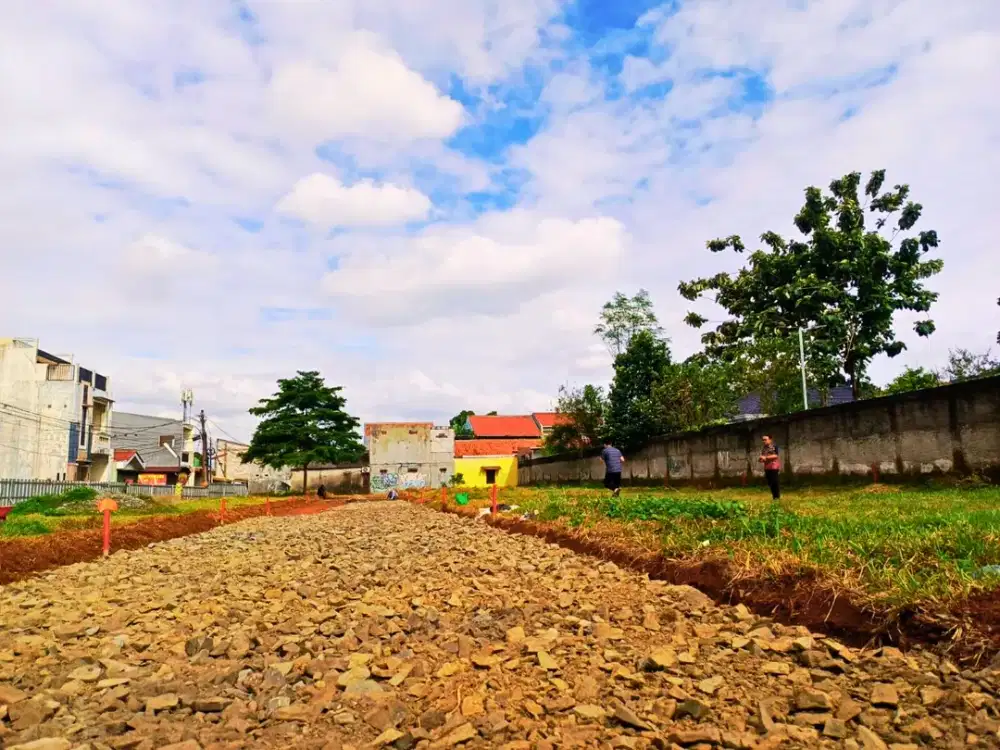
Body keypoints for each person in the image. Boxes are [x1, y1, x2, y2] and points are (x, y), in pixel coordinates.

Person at [758, 435, 781, 500]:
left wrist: (766, 457)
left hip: (773, 467)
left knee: (774, 482)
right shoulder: (764, 448)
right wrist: (760, 459)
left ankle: (777, 497)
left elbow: (776, 456)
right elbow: (763, 457)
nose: (764, 441)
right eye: (763, 440)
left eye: (765, 439)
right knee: (770, 483)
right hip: (767, 468)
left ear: (770, 440)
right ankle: (774, 497)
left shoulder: (774, 446)